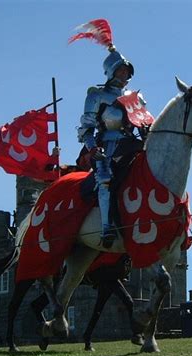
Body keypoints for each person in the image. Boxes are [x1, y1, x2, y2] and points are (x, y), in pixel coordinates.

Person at [70, 19, 153, 248]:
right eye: (120, 69)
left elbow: (143, 121)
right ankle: (107, 228)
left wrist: (148, 134)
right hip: (106, 147)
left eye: (127, 71)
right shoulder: (96, 95)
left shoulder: (136, 98)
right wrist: (92, 148)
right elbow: (86, 129)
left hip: (132, 144)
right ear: (110, 71)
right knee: (105, 180)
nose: (124, 74)